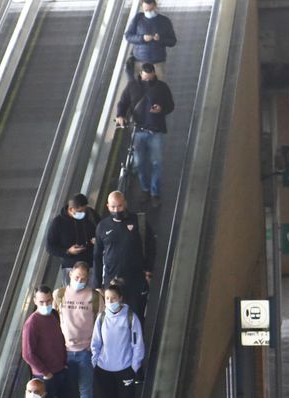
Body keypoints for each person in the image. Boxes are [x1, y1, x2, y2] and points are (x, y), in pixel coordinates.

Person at [92, 282, 147, 398]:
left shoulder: (130, 317)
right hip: (104, 370)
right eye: (107, 298)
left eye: (113, 298)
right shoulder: (101, 318)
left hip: (124, 369)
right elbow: (96, 343)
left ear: (120, 299)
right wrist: (95, 362)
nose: (110, 301)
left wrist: (134, 367)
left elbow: (137, 344)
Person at [53, 262, 101, 398]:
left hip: (84, 352)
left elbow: (100, 322)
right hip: (63, 351)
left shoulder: (94, 297)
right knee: (63, 391)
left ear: (88, 278)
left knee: (85, 391)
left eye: (83, 279)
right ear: (70, 274)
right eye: (76, 278)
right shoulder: (59, 294)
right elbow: (54, 319)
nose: (79, 281)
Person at [114, 63, 174, 208]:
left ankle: (154, 193)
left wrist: (161, 109)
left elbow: (170, 105)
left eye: (150, 77)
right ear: (140, 74)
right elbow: (123, 103)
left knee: (156, 163)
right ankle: (145, 189)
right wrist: (120, 115)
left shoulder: (161, 87)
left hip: (155, 131)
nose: (148, 80)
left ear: (154, 74)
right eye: (146, 77)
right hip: (138, 131)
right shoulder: (132, 86)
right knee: (140, 163)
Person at [95, 191, 155, 318]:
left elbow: (151, 246)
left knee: (136, 315)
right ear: (107, 206)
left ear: (125, 204)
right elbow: (97, 255)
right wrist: (97, 284)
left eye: (120, 206)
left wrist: (149, 270)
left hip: (136, 279)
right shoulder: (103, 226)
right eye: (113, 207)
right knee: (113, 316)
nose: (116, 210)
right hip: (111, 280)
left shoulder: (139, 222)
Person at [21, 286, 70, 398]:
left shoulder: (53, 315)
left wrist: (64, 363)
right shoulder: (32, 323)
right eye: (42, 302)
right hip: (45, 377)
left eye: (48, 301)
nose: (46, 305)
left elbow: (60, 340)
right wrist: (46, 372)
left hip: (60, 370)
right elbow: (27, 353)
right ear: (35, 301)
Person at [125, 1, 176, 79]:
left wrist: (160, 39)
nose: (148, 12)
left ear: (155, 6)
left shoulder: (165, 21)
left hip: (158, 64)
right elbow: (128, 36)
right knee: (137, 90)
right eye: (146, 10)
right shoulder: (138, 19)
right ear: (142, 7)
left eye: (151, 9)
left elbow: (172, 41)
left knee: (158, 89)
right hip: (139, 62)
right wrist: (142, 38)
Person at [44, 193, 96, 271]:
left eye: (85, 210)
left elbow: (101, 229)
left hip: (91, 263)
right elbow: (50, 247)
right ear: (71, 209)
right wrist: (68, 251)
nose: (84, 213)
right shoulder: (58, 223)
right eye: (80, 211)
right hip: (71, 266)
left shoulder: (91, 215)